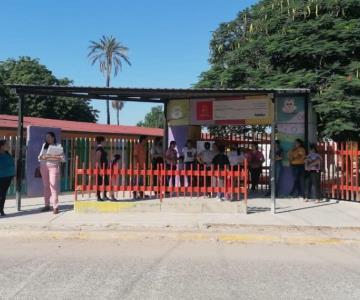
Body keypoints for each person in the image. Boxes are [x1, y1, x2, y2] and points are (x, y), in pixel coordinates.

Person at [38, 132, 65, 214]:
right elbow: (40, 157)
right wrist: (47, 157)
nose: (47, 139)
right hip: (44, 167)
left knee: (53, 186)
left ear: (53, 137)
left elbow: (63, 158)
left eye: (49, 137)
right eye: (46, 137)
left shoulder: (58, 146)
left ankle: (55, 206)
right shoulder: (44, 145)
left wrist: (50, 157)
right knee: (46, 186)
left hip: (53, 167)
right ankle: (47, 205)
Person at [0, 140, 15, 216]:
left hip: (8, 177)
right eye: (7, 145)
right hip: (1, 177)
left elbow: (11, 164)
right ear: (1, 146)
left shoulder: (7, 154)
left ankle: (1, 209)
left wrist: (13, 175)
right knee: (1, 194)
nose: (8, 146)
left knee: (3, 194)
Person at [95, 136, 109, 201]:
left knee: (106, 182)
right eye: (105, 141)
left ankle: (104, 195)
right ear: (102, 142)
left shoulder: (101, 148)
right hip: (101, 169)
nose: (106, 142)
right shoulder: (99, 149)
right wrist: (100, 170)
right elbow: (97, 160)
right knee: (99, 183)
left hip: (104, 169)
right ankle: (98, 196)